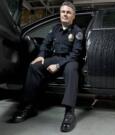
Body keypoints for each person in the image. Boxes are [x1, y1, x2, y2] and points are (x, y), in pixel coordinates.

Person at [8, 1, 83, 132]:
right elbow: (45, 44)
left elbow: (75, 54)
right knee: (34, 66)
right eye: (63, 12)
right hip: (55, 57)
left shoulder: (77, 32)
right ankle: (28, 106)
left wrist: (58, 65)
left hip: (69, 60)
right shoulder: (55, 28)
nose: (65, 14)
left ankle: (69, 113)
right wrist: (42, 55)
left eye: (68, 12)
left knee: (72, 69)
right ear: (60, 14)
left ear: (73, 16)